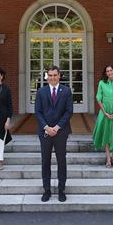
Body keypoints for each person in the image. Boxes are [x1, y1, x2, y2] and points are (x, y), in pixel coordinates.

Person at [34, 65, 73, 202]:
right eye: (50, 75)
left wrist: (56, 127)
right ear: (47, 77)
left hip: (61, 131)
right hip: (45, 132)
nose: (52, 78)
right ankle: (47, 190)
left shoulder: (66, 91)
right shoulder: (41, 91)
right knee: (45, 161)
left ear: (59, 76)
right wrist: (46, 127)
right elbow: (37, 111)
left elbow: (69, 111)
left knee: (61, 161)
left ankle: (61, 190)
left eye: (55, 75)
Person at [93, 65, 113, 168]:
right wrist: (105, 112)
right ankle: (108, 159)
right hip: (105, 113)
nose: (109, 72)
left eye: (111, 70)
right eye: (107, 71)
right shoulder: (102, 83)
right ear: (105, 73)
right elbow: (98, 98)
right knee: (106, 135)